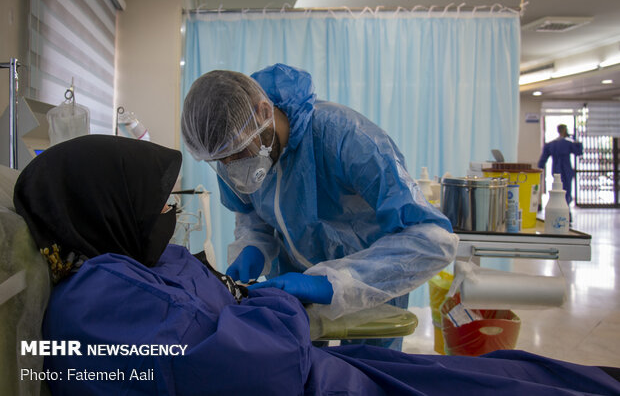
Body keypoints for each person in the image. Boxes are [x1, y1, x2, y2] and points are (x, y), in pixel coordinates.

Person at [12, 135, 620, 395]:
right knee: (502, 386)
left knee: (510, 371)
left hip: (321, 368)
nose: (168, 212)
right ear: (99, 204)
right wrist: (282, 298)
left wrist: (253, 291)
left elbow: (429, 240)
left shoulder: (120, 266)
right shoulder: (104, 298)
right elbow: (259, 367)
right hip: (314, 379)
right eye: (154, 201)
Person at [181, 63, 459, 350]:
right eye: (220, 160)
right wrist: (253, 247)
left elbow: (432, 240)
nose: (231, 166)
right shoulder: (234, 161)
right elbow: (253, 217)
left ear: (263, 112)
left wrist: (333, 283)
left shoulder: (346, 138)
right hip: (296, 302)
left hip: (371, 290)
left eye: (237, 152)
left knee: (368, 378)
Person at [538, 124, 583, 205]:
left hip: (556, 170)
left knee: (557, 190)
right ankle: (566, 208)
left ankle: (559, 206)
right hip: (566, 170)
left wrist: (539, 170)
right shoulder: (568, 144)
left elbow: (543, 160)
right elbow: (579, 152)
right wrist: (576, 141)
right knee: (567, 191)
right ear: (565, 130)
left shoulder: (551, 145)